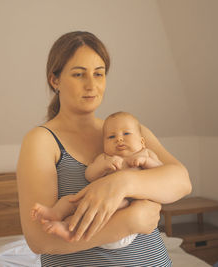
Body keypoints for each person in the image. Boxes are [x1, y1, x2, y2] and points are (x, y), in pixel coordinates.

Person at [17, 31, 192, 266]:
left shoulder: (125, 130)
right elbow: (39, 240)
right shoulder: (42, 140)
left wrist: (121, 183)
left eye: (98, 74)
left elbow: (181, 181)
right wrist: (130, 221)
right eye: (79, 74)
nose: (91, 85)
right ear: (55, 80)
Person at [30, 111, 164, 250]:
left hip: (125, 212)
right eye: (111, 137)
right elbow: (90, 175)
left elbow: (161, 173)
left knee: (120, 203)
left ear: (142, 141)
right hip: (100, 217)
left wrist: (146, 162)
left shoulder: (146, 153)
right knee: (72, 201)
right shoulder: (105, 158)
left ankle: (71, 229)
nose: (119, 139)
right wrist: (103, 167)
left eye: (126, 134)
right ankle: (57, 215)